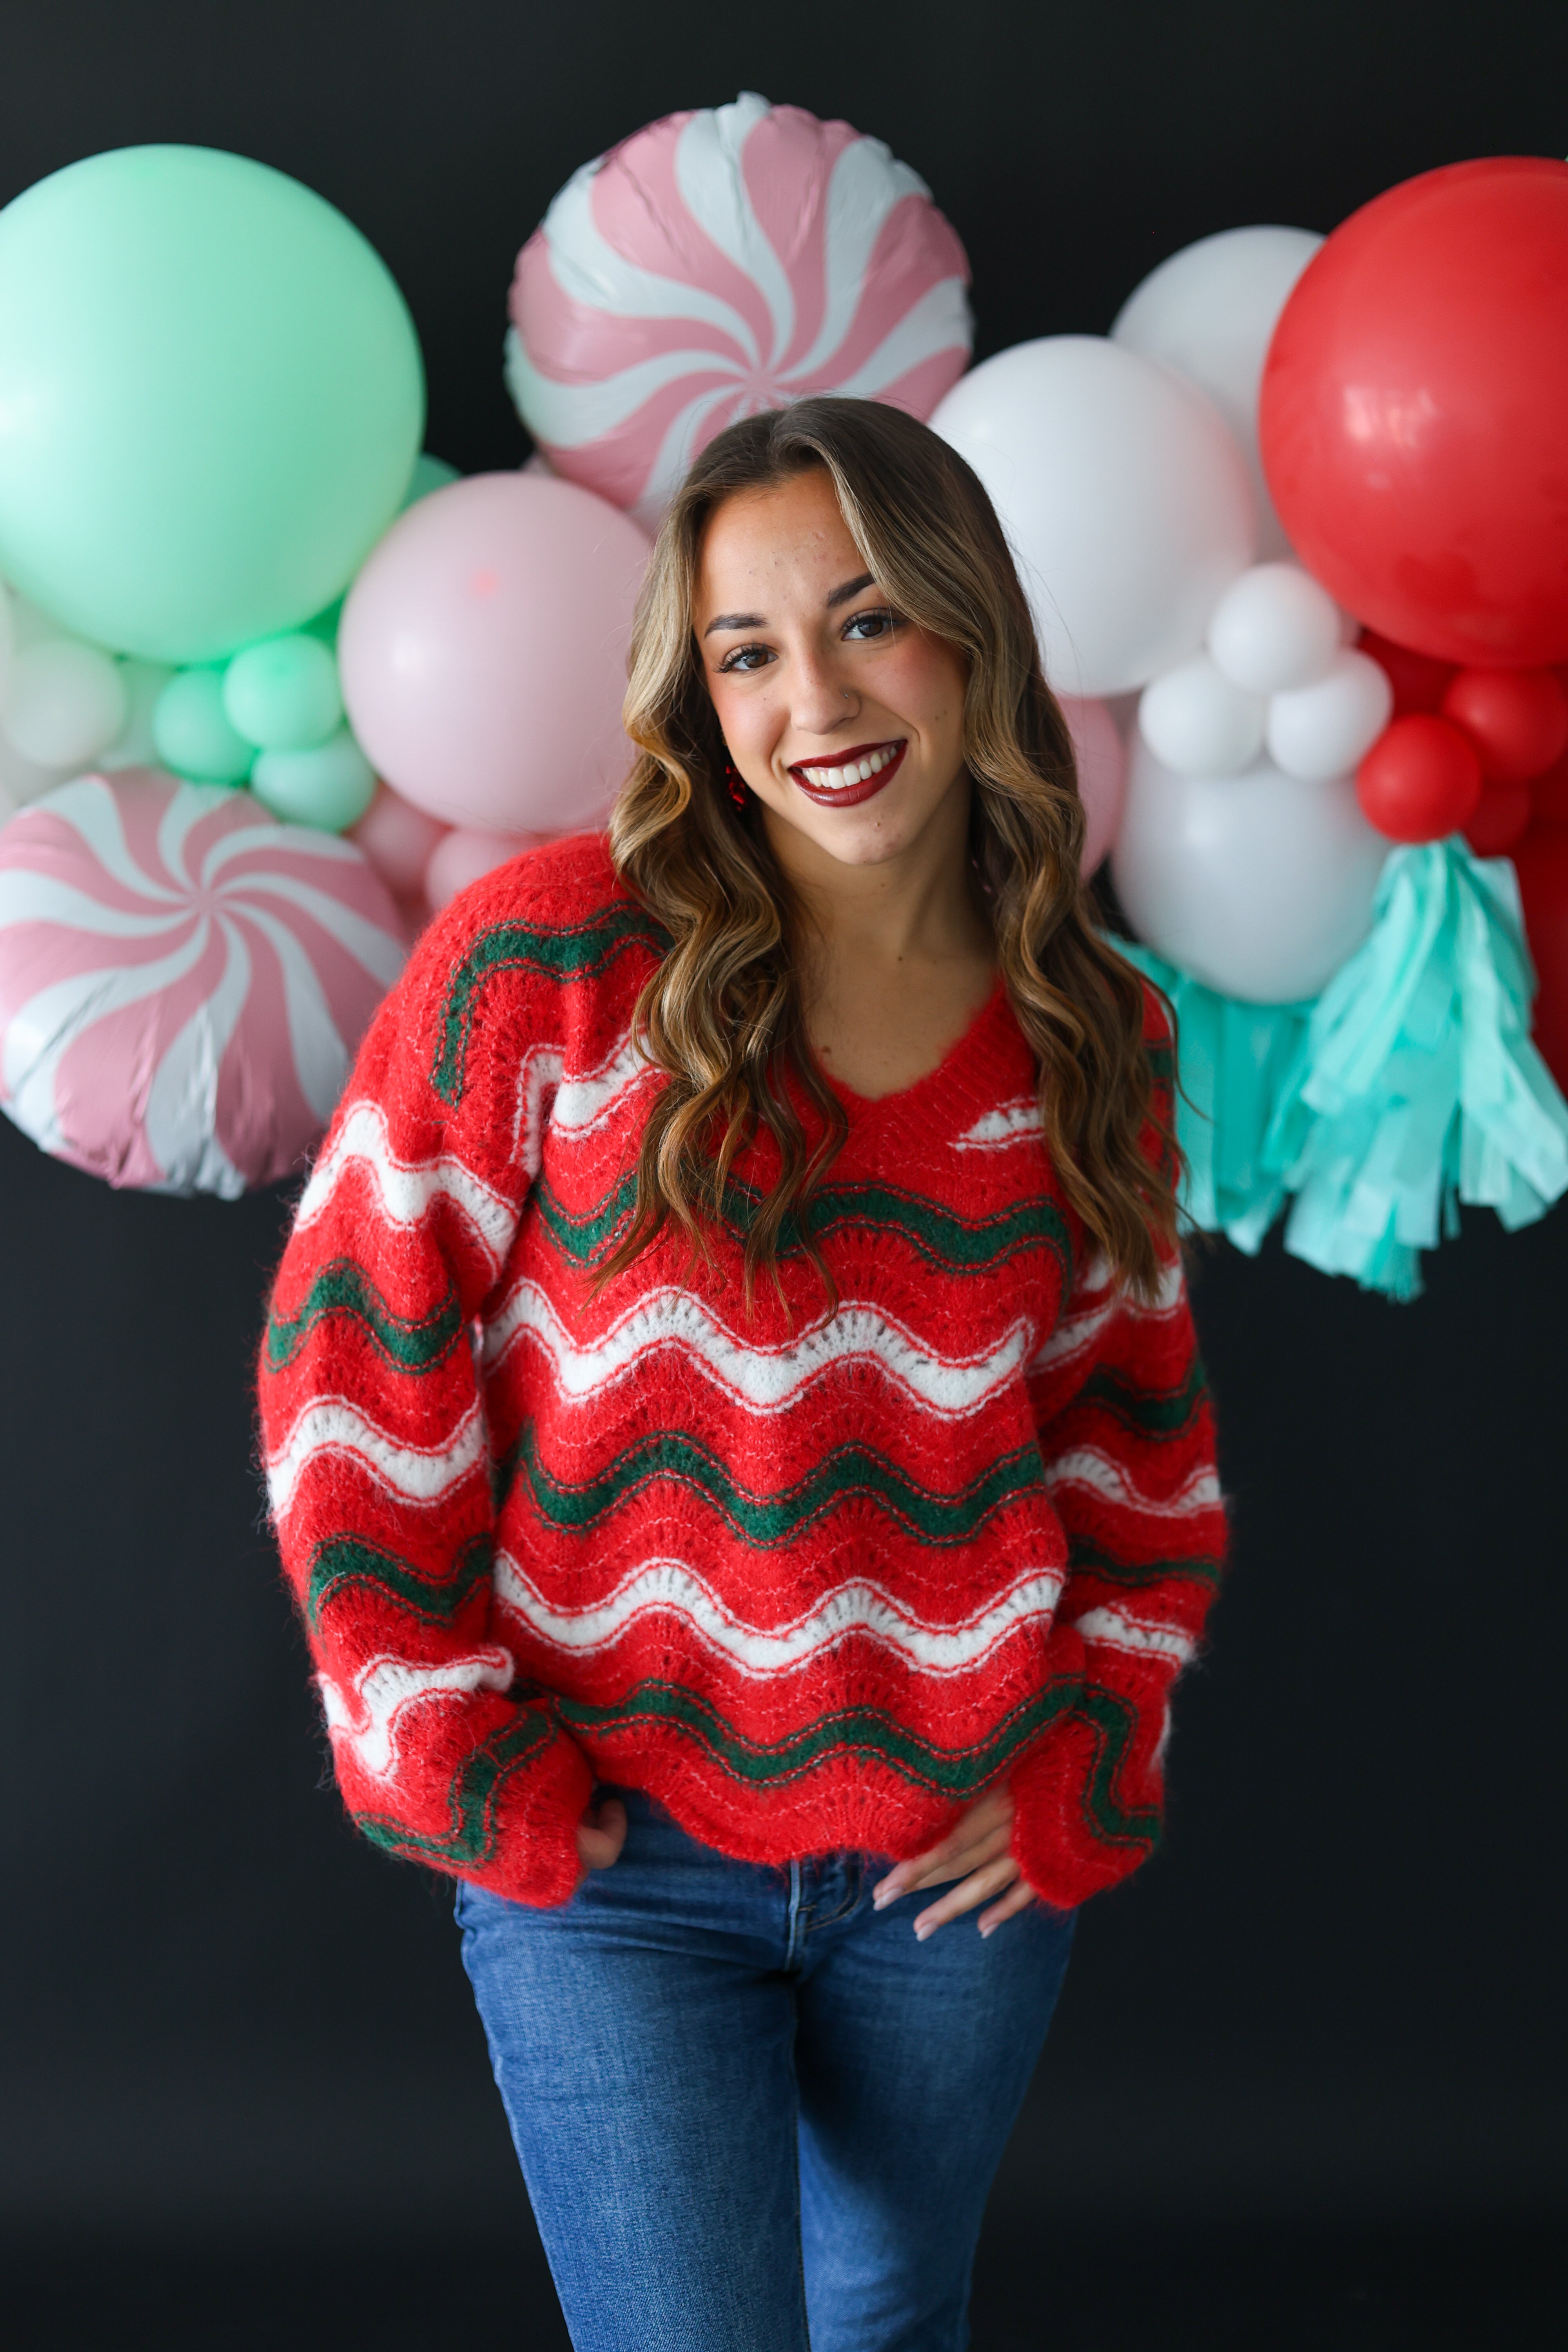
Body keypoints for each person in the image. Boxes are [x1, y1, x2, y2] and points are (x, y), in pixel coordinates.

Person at [258, 397, 1225, 2352]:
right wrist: (446, 1745)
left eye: (868, 620)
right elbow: (350, 1365)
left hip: (952, 1870)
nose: (817, 700)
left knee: (889, 2313)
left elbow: (1132, 1448)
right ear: (697, 698)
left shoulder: (1092, 1027)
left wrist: (1081, 1743)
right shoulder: (546, 966)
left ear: (970, 630)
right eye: (747, 651)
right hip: (616, 1862)